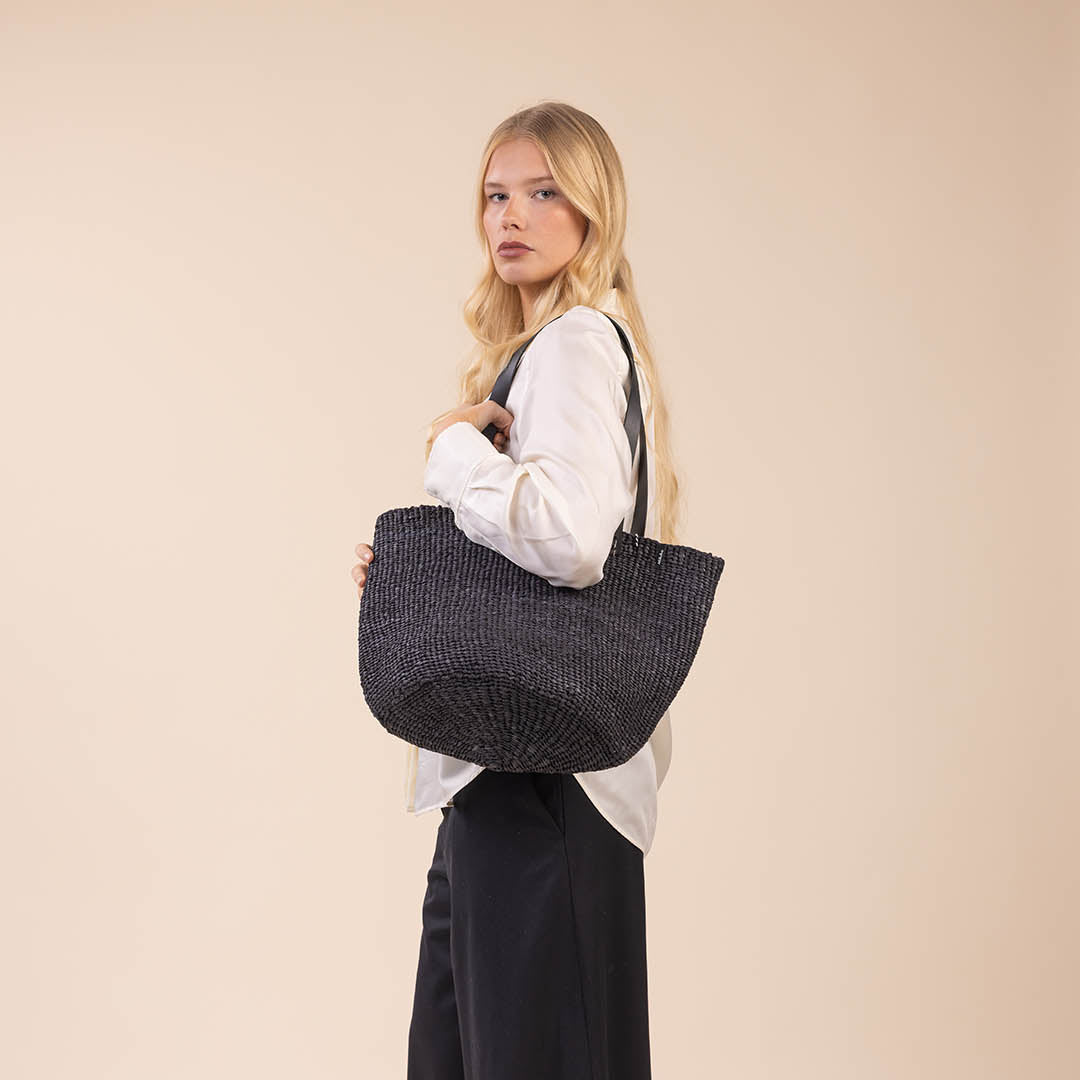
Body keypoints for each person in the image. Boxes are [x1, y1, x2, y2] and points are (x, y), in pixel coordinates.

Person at [351, 100, 685, 1079]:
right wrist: (425, 570)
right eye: (496, 195)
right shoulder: (543, 351)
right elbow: (539, 530)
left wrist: (452, 452)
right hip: (509, 776)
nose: (512, 216)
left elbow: (576, 541)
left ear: (593, 211)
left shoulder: (578, 341)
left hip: (545, 782)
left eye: (544, 193)